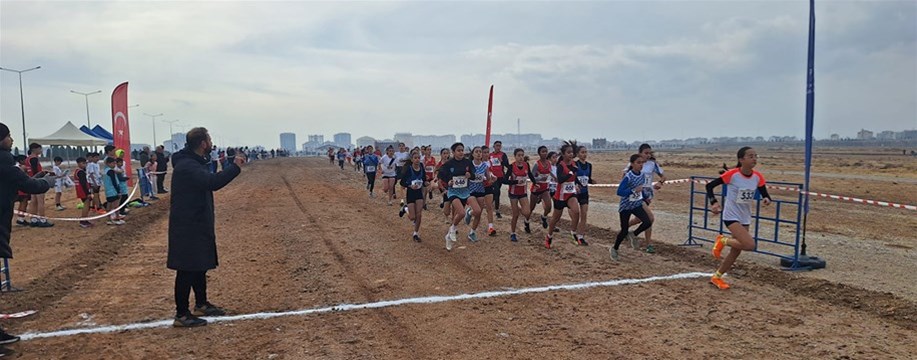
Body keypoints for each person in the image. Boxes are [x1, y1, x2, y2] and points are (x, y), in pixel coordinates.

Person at [168, 127, 244, 327]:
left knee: (199, 265)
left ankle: (201, 303)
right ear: (203, 143)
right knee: (186, 269)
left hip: (197, 223)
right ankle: (181, 314)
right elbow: (212, 182)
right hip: (187, 226)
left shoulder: (193, 162)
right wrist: (235, 167)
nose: (211, 143)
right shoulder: (187, 166)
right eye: (209, 140)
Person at [0, 122, 59, 346]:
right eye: (8, 136)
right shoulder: (4, 161)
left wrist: (38, 179)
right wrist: (46, 182)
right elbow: (30, 186)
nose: (12, 140)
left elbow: (21, 183)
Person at [707, 147, 772, 290]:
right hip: (731, 215)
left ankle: (717, 277)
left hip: (745, 217)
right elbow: (709, 186)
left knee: (736, 250)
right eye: (750, 156)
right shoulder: (732, 175)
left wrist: (766, 199)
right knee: (749, 245)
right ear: (741, 160)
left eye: (755, 156)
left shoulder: (758, 177)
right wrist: (714, 202)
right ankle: (722, 240)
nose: (754, 159)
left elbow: (765, 194)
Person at [610, 154, 653, 261]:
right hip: (625, 206)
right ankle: (614, 248)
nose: (641, 165)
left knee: (647, 222)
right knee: (624, 230)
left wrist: (645, 197)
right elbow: (619, 192)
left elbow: (641, 189)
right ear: (632, 164)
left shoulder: (642, 175)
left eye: (642, 163)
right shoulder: (628, 176)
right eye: (638, 163)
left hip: (636, 204)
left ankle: (633, 234)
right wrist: (633, 190)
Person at [544, 142, 585, 248]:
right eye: (568, 152)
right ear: (563, 154)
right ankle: (549, 236)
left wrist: (579, 184)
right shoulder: (560, 165)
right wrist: (570, 172)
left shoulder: (574, 164)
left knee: (576, 211)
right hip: (560, 196)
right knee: (555, 218)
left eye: (572, 152)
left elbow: (574, 177)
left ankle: (573, 232)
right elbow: (560, 180)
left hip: (571, 194)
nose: (571, 154)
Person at [437, 142, 475, 251]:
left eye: (462, 150)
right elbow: (440, 174)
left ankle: (449, 234)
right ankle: (452, 229)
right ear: (453, 152)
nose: (461, 152)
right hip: (453, 192)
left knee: (474, 210)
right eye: (458, 150)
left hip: (465, 191)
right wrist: (448, 181)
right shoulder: (449, 163)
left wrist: (470, 175)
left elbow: (473, 175)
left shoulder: (467, 162)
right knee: (461, 213)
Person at [629, 144, 666, 253]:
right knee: (649, 219)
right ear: (640, 153)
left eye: (649, 153)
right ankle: (646, 243)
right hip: (637, 196)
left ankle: (625, 229)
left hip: (648, 196)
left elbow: (663, 176)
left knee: (640, 219)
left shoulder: (652, 164)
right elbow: (625, 177)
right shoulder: (634, 163)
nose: (648, 155)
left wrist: (660, 182)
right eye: (646, 153)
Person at [503, 148, 535, 242]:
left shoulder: (526, 165)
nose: (521, 157)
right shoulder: (511, 167)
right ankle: (513, 233)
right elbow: (505, 181)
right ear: (515, 156)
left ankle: (525, 221)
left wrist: (535, 182)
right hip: (513, 193)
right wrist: (516, 182)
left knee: (527, 212)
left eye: (522, 155)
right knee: (515, 214)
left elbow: (530, 174)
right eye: (519, 155)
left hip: (523, 192)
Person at [398, 151, 427, 242]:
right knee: (412, 217)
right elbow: (402, 182)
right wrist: (410, 185)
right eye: (415, 158)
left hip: (419, 193)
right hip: (410, 193)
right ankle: (405, 208)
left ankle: (416, 233)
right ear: (412, 159)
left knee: (419, 214)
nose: (417, 160)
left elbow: (424, 179)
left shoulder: (421, 167)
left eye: (418, 158)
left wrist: (426, 183)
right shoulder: (409, 169)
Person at [462, 146, 486, 242]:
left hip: (480, 190)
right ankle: (469, 212)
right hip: (470, 190)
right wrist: (466, 175)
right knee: (477, 210)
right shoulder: (468, 165)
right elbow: (462, 175)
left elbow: (488, 178)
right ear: (473, 154)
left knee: (479, 213)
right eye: (476, 152)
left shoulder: (485, 166)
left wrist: (492, 178)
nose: (479, 153)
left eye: (480, 152)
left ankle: (472, 232)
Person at [25, 143, 53, 227]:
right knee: (40, 201)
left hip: (31, 181)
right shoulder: (34, 159)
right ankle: (42, 220)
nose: (41, 151)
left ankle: (33, 219)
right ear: (35, 149)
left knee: (33, 201)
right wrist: (43, 175)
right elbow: (36, 172)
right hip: (37, 182)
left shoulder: (28, 159)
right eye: (40, 149)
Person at [574, 145, 595, 246]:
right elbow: (572, 177)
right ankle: (573, 231)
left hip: (584, 193)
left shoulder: (589, 165)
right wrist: (576, 184)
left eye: (586, 152)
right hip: (574, 193)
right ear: (578, 154)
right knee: (575, 214)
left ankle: (581, 236)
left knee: (584, 214)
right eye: (582, 152)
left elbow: (588, 178)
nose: (584, 154)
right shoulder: (574, 164)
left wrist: (592, 181)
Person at [529, 146, 553, 230]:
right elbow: (531, 177)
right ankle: (526, 221)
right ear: (539, 153)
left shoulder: (549, 163)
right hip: (536, 188)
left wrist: (554, 178)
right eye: (543, 152)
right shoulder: (536, 164)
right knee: (531, 208)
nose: (545, 153)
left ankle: (544, 217)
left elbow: (550, 173)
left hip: (545, 188)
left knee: (549, 207)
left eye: (546, 151)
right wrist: (539, 178)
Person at [101, 157, 125, 226]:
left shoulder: (105, 171)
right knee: (116, 205)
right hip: (113, 190)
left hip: (108, 191)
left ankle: (109, 219)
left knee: (109, 205)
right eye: (113, 163)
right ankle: (117, 218)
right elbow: (114, 182)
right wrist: (118, 191)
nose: (114, 165)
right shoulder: (111, 171)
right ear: (108, 163)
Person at [489, 141, 510, 219]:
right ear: (493, 146)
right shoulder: (490, 155)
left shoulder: (503, 155)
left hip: (500, 177)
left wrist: (502, 162)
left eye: (499, 146)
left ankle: (489, 205)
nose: (498, 147)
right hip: (492, 177)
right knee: (497, 192)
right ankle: (497, 211)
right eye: (497, 146)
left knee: (496, 193)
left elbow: (507, 166)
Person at [73, 157, 93, 228]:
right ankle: (83, 221)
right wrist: (88, 193)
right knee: (86, 205)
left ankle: (85, 219)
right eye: (83, 163)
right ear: (78, 164)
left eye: (85, 163)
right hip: (83, 191)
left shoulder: (78, 171)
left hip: (81, 191)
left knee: (87, 205)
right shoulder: (80, 172)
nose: (84, 165)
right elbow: (83, 183)